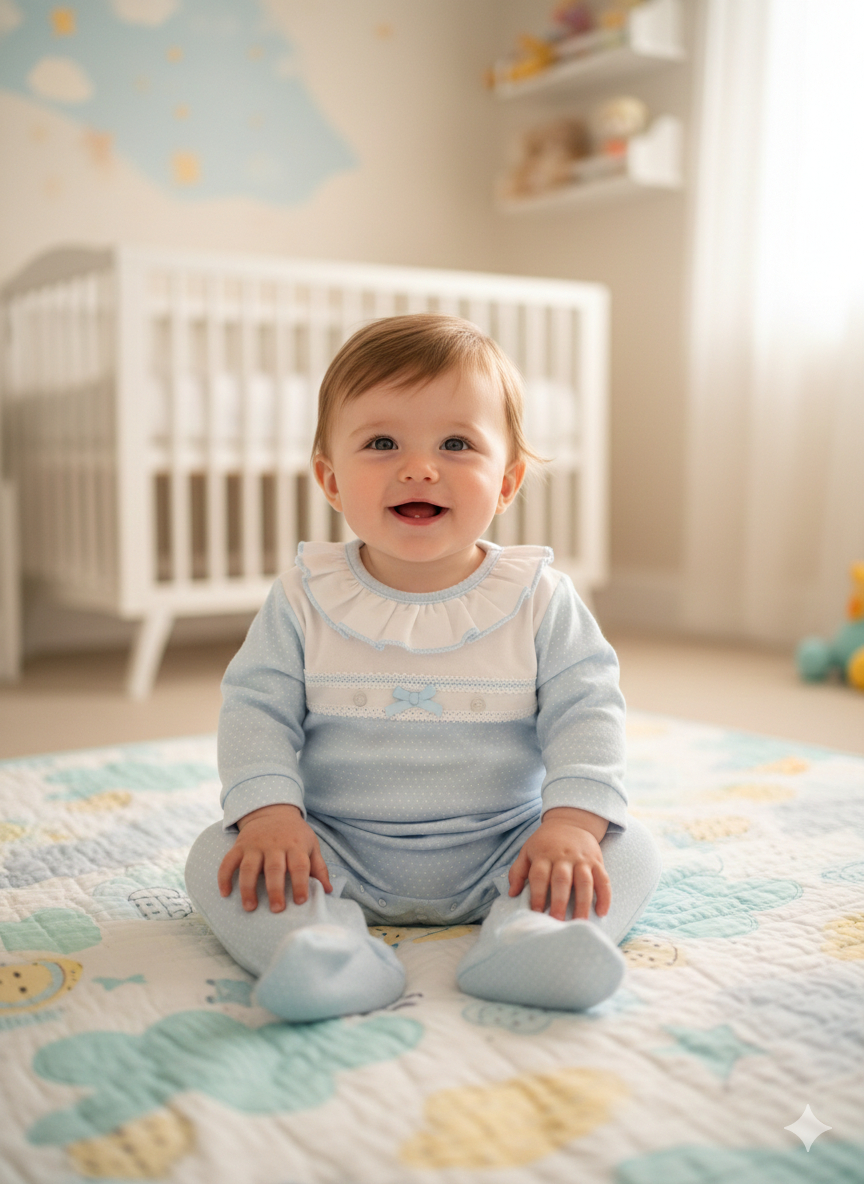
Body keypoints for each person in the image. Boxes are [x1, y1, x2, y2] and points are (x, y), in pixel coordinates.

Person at [185, 314, 661, 1023]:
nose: (419, 467)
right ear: (331, 480)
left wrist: (567, 824)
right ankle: (323, 949)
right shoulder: (303, 597)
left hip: (508, 845)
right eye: (381, 443)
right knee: (215, 858)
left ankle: (532, 937)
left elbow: (588, 708)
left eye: (456, 444)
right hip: (331, 847)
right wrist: (273, 817)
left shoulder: (540, 597)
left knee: (628, 848)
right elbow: (255, 708)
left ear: (507, 481)